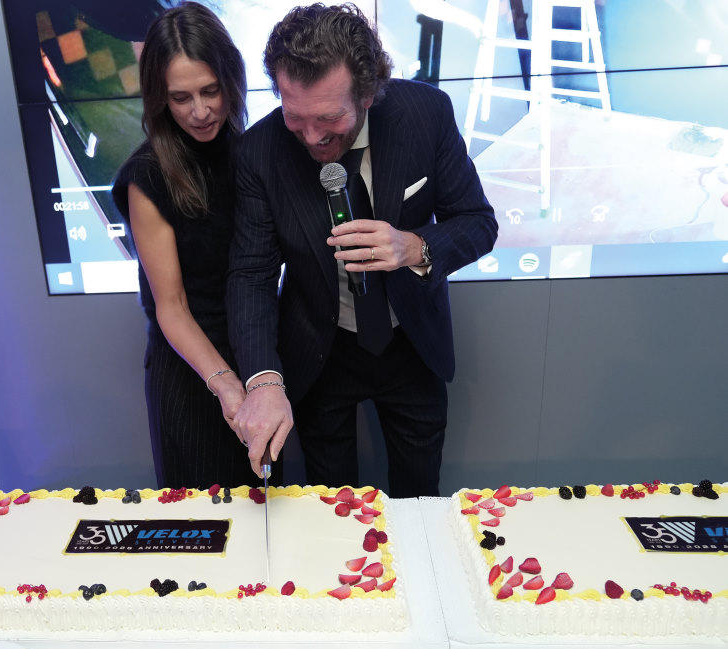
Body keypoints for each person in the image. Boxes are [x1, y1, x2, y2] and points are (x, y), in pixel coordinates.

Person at [226, 3, 498, 497]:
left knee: (421, 501)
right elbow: (251, 275)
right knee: (335, 509)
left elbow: (478, 223)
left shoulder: (426, 113)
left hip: (412, 341)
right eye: (295, 117)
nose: (312, 138)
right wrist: (263, 381)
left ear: (368, 93)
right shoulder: (259, 152)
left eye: (329, 118)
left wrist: (414, 246)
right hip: (317, 351)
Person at [111, 2, 260, 489]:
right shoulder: (147, 175)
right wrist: (227, 386)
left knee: (266, 516)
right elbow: (170, 308)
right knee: (202, 524)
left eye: (210, 90)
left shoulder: (250, 152)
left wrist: (260, 377)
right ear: (160, 98)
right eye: (181, 98)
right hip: (193, 375)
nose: (200, 111)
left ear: (231, 79)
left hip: (256, 364)